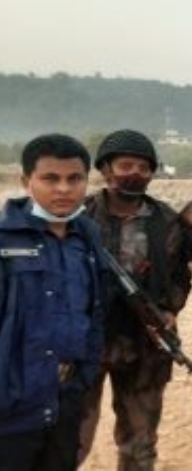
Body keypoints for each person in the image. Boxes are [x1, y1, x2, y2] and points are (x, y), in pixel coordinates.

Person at [77, 130, 192, 471]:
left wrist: (170, 309)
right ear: (106, 169)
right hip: (86, 343)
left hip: (146, 345)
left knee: (139, 445)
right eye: (126, 165)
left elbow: (181, 275)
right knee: (70, 439)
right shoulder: (79, 217)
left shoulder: (167, 221)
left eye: (144, 168)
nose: (135, 173)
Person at [0, 134, 108, 471]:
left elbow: (93, 311)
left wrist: (84, 376)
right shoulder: (5, 241)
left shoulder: (86, 238)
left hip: (65, 402)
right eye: (50, 178)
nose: (64, 189)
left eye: (74, 179)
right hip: (11, 411)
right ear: (26, 181)